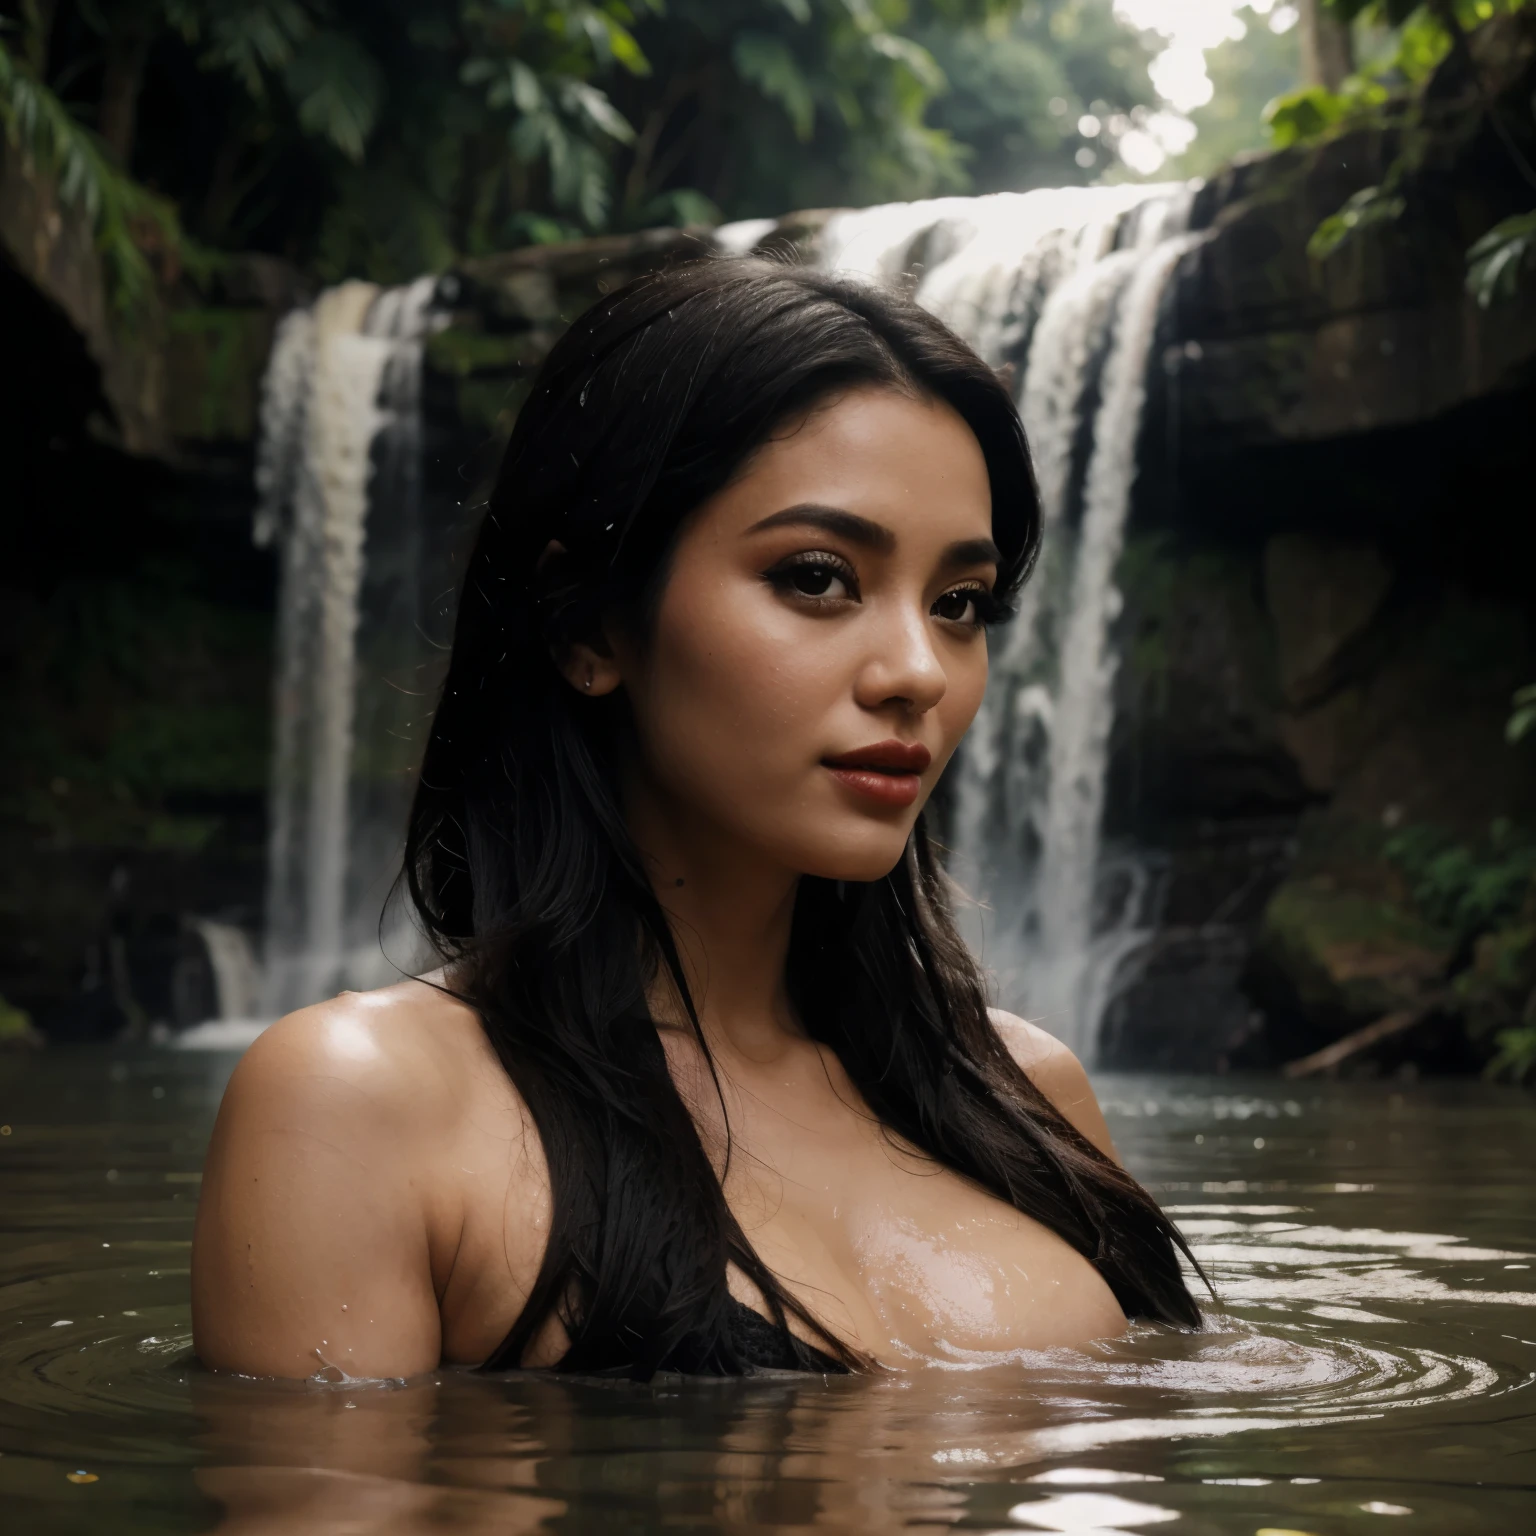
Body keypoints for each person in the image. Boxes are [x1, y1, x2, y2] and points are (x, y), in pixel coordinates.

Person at [192, 258, 1202, 1381]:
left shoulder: (1024, 1093)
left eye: (959, 604)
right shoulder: (363, 1105)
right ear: (589, 628)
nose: (918, 670)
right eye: (818, 577)